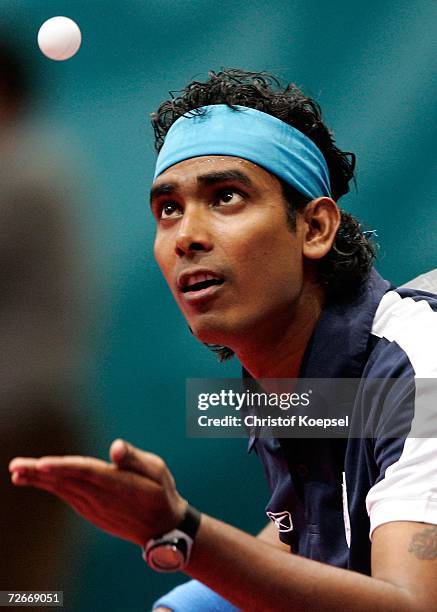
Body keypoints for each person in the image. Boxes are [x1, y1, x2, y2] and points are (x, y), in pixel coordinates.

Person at [9, 70, 437, 611]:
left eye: (226, 197)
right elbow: (306, 537)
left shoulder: (417, 363)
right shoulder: (294, 382)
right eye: (168, 209)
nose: (186, 235)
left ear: (314, 229)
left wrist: (181, 533)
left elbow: (412, 604)